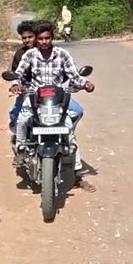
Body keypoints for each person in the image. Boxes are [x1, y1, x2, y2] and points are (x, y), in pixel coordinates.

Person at [10, 21, 96, 191]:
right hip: (34, 96)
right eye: (40, 39)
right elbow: (18, 73)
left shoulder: (62, 54)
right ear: (37, 40)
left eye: (47, 38)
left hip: (58, 97)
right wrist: (15, 84)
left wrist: (85, 83)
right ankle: (20, 151)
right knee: (21, 120)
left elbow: (74, 75)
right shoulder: (29, 55)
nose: (44, 42)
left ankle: (77, 173)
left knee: (69, 131)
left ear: (52, 37)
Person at [7, 20, 37, 139]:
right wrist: (15, 84)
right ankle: (21, 145)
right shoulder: (20, 54)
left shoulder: (51, 52)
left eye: (30, 37)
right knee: (16, 116)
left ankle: (68, 145)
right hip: (28, 92)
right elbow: (16, 73)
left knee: (76, 111)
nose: (27, 40)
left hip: (50, 93)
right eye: (24, 38)